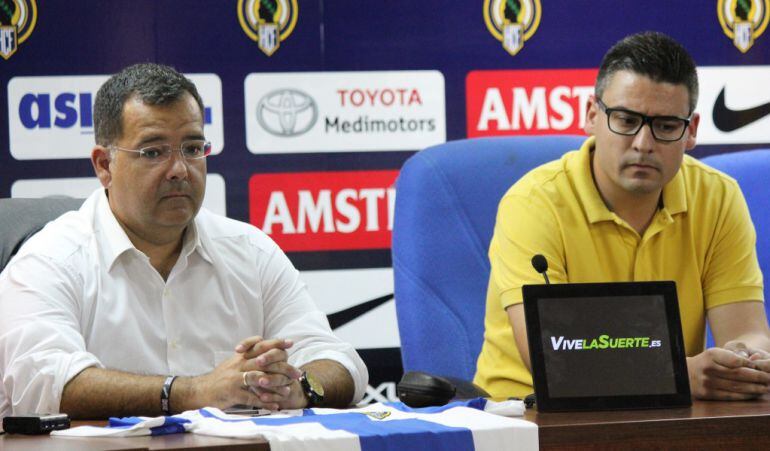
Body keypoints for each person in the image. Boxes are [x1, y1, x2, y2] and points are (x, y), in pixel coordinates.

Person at [0, 63, 367, 419]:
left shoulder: (250, 251)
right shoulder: (49, 260)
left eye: (192, 148)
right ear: (104, 165)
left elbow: (340, 362)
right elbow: (41, 384)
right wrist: (194, 392)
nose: (179, 170)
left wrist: (300, 388)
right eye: (153, 152)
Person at [474, 32, 770, 401]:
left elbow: (748, 331)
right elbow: (552, 361)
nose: (644, 144)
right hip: (527, 416)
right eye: (627, 120)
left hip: (665, 415)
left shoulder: (718, 197)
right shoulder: (533, 203)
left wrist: (746, 360)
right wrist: (678, 374)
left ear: (690, 131)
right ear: (592, 117)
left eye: (665, 126)